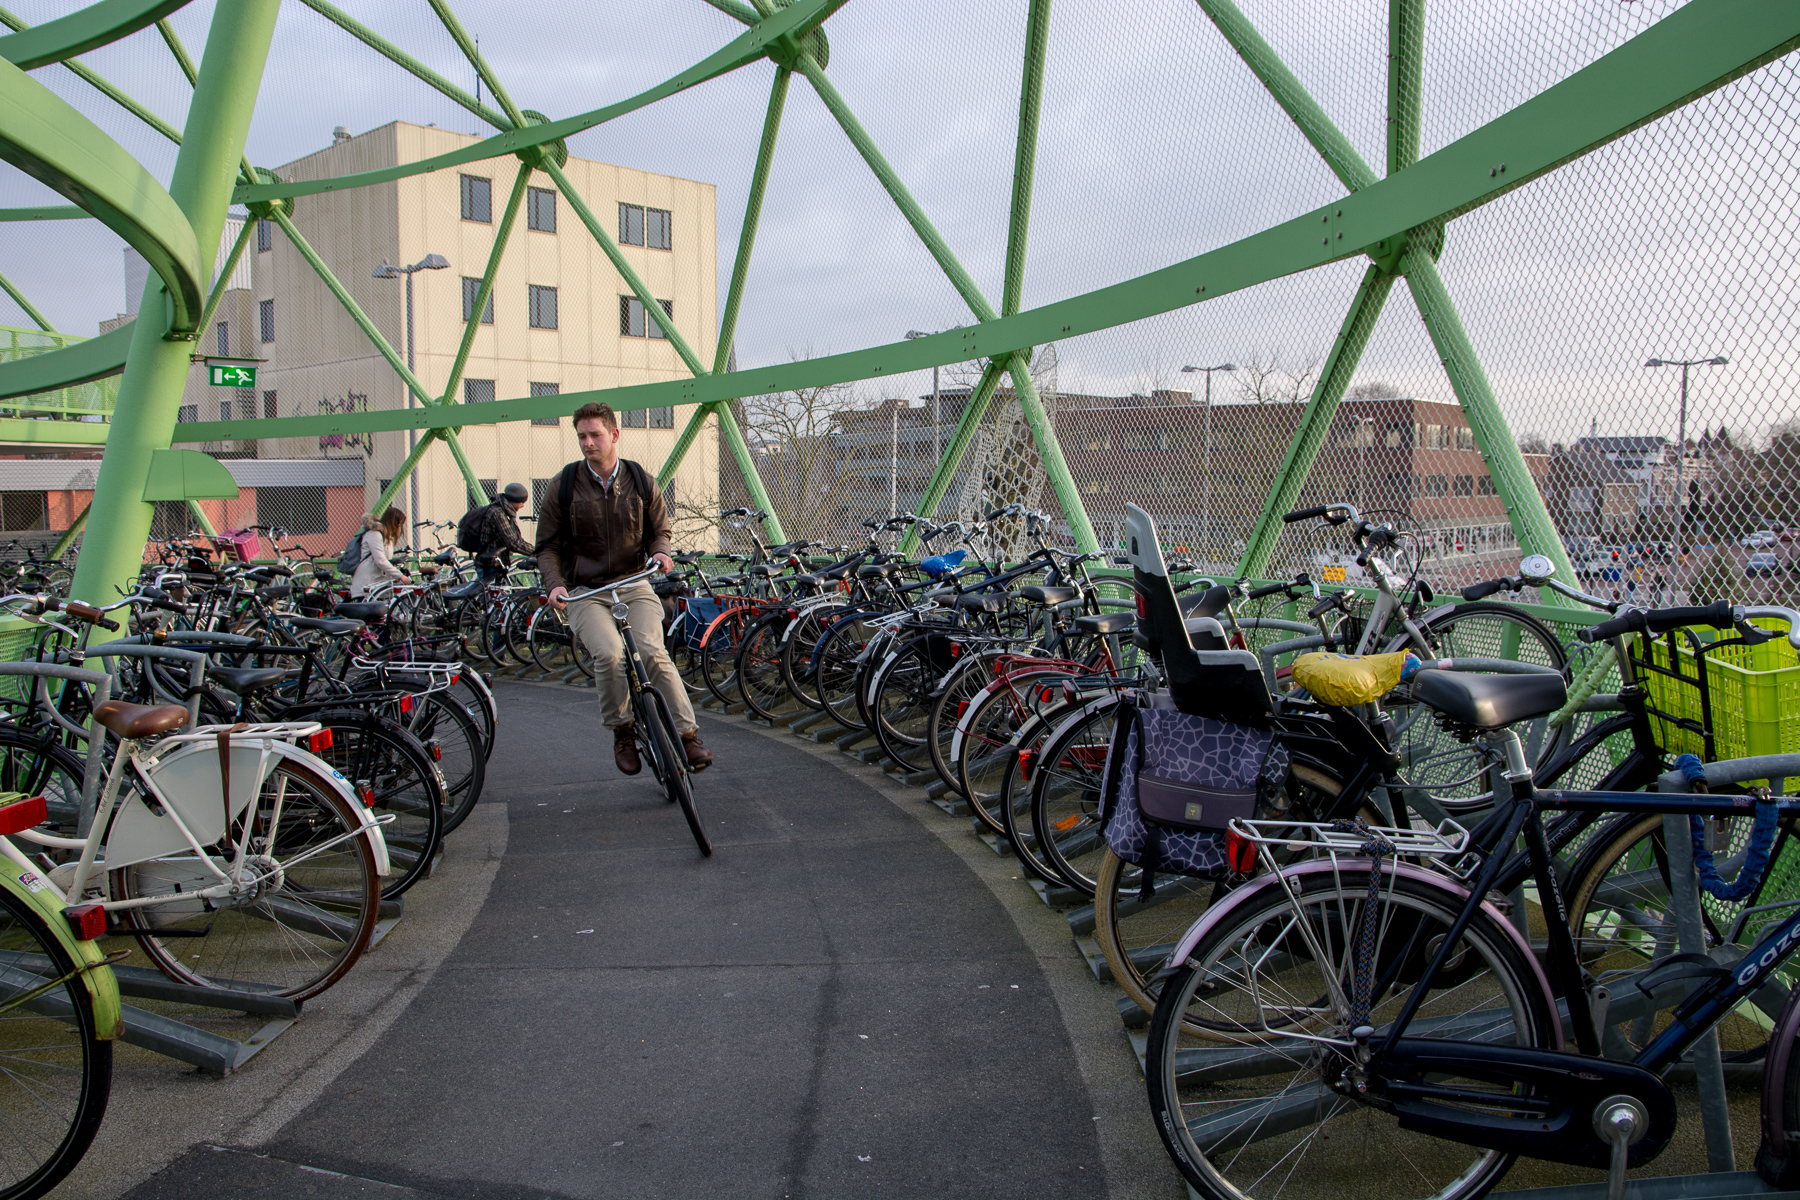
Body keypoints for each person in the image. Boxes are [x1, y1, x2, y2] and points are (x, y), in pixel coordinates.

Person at [536, 402, 714, 775]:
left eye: (595, 435)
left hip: (633, 584)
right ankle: (623, 731)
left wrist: (661, 553)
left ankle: (688, 736)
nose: (587, 443)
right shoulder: (563, 486)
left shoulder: (641, 480)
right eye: (582, 436)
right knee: (612, 655)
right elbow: (548, 546)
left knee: (651, 649)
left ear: (614, 434)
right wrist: (555, 585)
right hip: (585, 592)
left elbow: (659, 531)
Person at [474, 482, 535, 583]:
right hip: (490, 566)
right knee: (490, 597)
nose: (523, 505)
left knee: (495, 596)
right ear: (514, 500)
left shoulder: (501, 510)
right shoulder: (498, 513)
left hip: (493, 564)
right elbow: (513, 543)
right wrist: (537, 552)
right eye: (521, 502)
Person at [351, 507, 410, 598]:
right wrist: (399, 576)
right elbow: (380, 560)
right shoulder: (375, 534)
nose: (399, 526)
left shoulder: (386, 537)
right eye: (398, 523)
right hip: (367, 583)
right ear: (392, 522)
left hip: (376, 584)